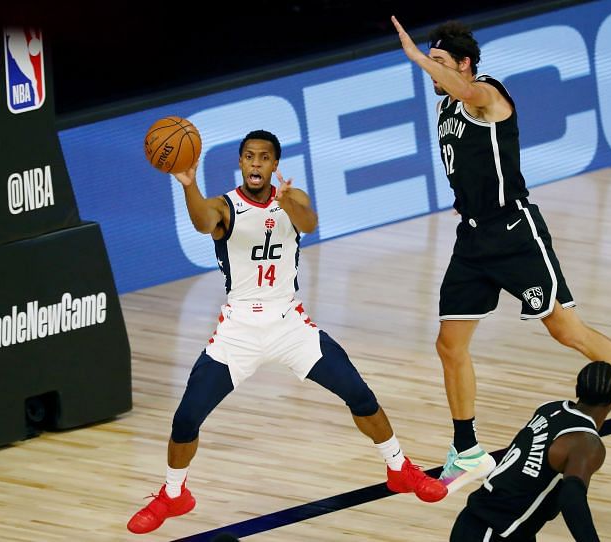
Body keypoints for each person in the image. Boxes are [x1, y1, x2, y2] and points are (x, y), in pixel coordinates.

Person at [390, 16, 611, 491]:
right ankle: (467, 451)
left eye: (441, 63)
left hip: (514, 233)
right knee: (449, 345)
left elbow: (470, 96)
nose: (432, 72)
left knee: (566, 329)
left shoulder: (485, 94)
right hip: (473, 239)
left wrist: (418, 57)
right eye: (430, 63)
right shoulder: (446, 105)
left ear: (465, 65)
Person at [127, 130, 447, 534]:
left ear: (274, 164)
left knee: (360, 394)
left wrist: (289, 201)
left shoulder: (292, 201)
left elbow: (309, 224)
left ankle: (399, 468)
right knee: (186, 418)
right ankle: (175, 494)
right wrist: (189, 186)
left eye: (263, 157)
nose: (255, 164)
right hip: (239, 329)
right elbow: (201, 221)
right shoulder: (225, 206)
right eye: (248, 157)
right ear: (240, 163)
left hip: (288, 323)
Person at [450, 361, 611, 541]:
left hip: (481, 522)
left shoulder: (549, 409)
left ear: (577, 390)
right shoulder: (587, 445)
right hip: (493, 532)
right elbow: (571, 497)